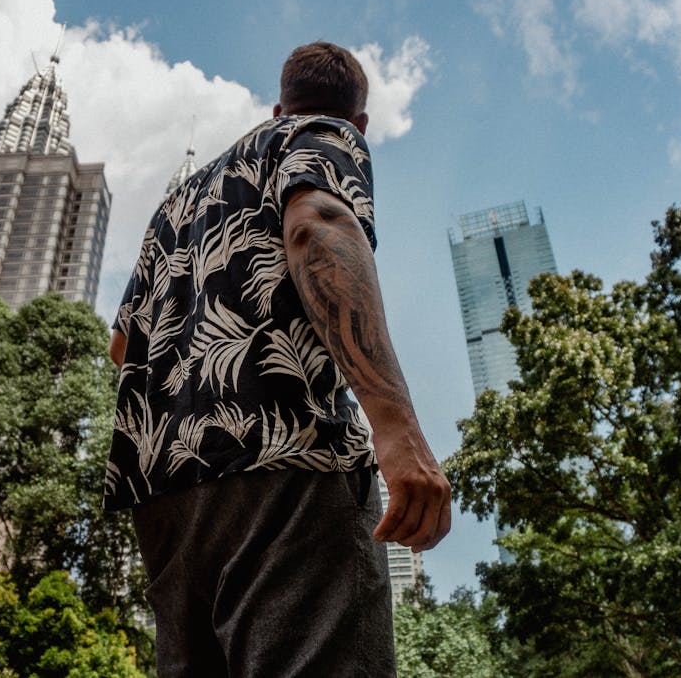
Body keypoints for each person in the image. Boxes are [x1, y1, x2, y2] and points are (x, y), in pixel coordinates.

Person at [105, 41, 451, 677]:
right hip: (285, 463)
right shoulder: (323, 134)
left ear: (275, 105)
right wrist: (398, 431)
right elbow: (317, 223)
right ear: (361, 123)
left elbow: (122, 345)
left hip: (167, 501)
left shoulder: (173, 209)